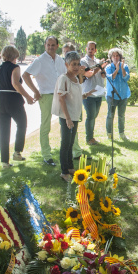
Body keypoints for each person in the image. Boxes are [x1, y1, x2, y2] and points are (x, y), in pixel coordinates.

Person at [23, 36, 66, 167]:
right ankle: (47, 156)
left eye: (53, 45)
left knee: (68, 122)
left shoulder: (60, 60)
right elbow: (25, 75)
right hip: (46, 96)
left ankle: (73, 151)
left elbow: (65, 76)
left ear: (57, 46)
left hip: (60, 95)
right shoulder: (40, 60)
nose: (50, 47)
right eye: (48, 45)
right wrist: (35, 91)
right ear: (45, 46)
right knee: (45, 126)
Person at [0, 45, 36, 169]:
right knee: (22, 124)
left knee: (3, 131)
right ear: (14, 56)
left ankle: (4, 162)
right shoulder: (15, 67)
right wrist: (28, 96)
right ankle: (17, 152)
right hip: (13, 99)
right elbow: (15, 83)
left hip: (0, 99)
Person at [53, 51, 84, 182]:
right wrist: (68, 118)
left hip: (75, 115)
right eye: (73, 64)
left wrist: (86, 94)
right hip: (68, 117)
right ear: (67, 65)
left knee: (71, 143)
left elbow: (74, 96)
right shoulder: (64, 78)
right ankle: (64, 172)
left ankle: (70, 167)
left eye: (78, 64)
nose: (76, 67)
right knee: (65, 144)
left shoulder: (75, 78)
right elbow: (62, 99)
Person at [80, 41, 106, 147]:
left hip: (98, 92)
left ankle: (91, 137)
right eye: (89, 48)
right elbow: (89, 74)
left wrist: (103, 69)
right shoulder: (83, 61)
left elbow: (103, 76)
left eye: (92, 49)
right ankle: (89, 138)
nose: (91, 50)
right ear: (86, 49)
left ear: (95, 50)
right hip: (88, 93)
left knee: (94, 115)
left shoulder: (98, 61)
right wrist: (99, 66)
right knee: (90, 116)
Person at [105, 47, 131, 141]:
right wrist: (116, 69)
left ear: (120, 57)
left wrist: (122, 68)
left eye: (117, 56)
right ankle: (109, 134)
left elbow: (126, 78)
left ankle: (121, 134)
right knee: (110, 115)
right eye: (113, 56)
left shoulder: (125, 66)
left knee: (121, 115)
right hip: (112, 96)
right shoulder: (108, 67)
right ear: (111, 58)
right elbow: (111, 78)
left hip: (123, 95)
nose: (115, 58)